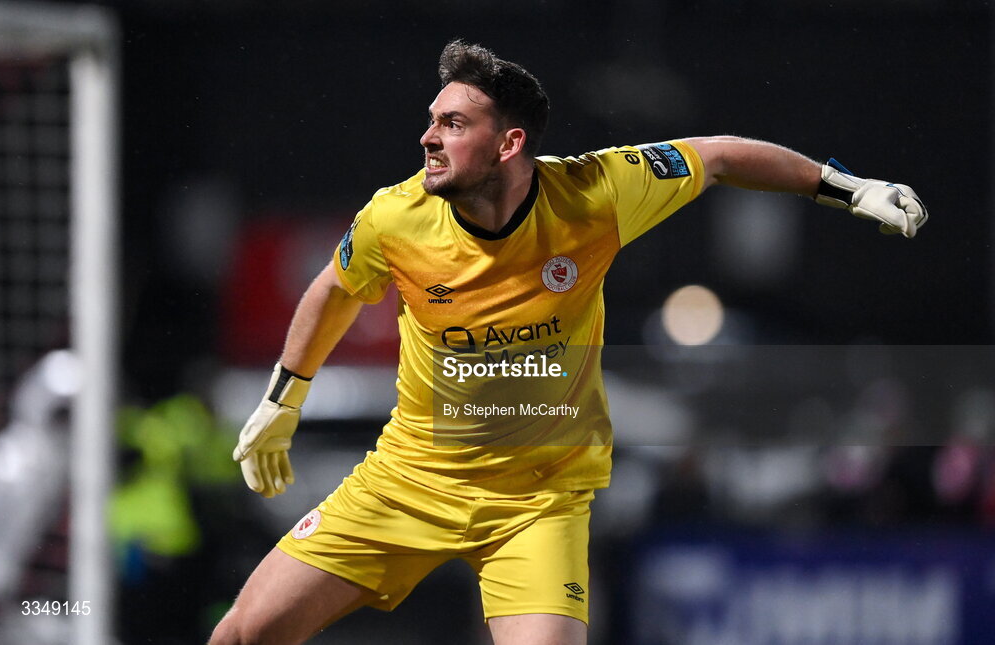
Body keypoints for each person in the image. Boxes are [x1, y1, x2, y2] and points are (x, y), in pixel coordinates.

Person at [209, 39, 927, 645]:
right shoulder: (395, 219)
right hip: (411, 479)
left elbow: (721, 156)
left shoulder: (597, 194)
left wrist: (846, 186)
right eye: (432, 121)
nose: (428, 137)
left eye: (453, 124)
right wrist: (284, 397)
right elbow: (334, 288)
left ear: (509, 142)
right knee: (243, 633)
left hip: (538, 500)